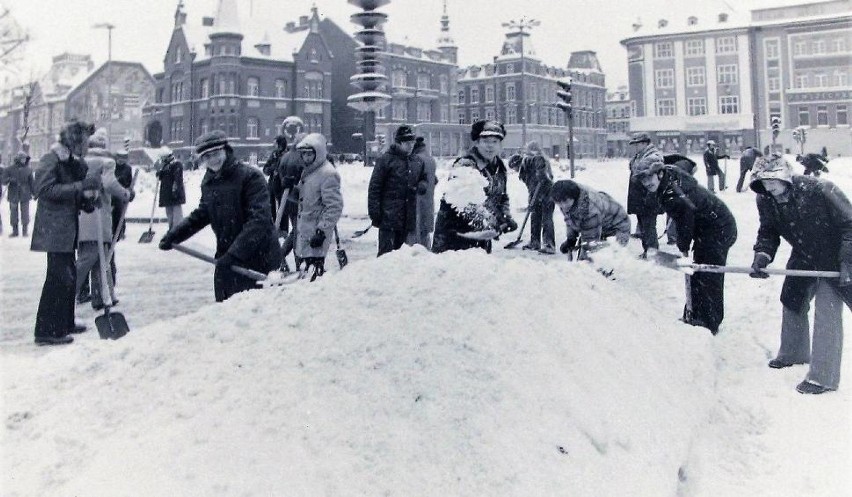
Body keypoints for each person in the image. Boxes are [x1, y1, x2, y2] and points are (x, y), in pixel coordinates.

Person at [749, 154, 852, 394]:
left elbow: (850, 225)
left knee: (827, 313)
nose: (769, 185)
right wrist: (763, 255)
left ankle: (822, 378)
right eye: (763, 180)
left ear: (786, 176)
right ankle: (794, 352)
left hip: (837, 255)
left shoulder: (819, 190)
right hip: (804, 252)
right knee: (792, 298)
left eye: (773, 178)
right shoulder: (765, 200)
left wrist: (847, 261)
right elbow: (768, 230)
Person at [158, 131, 281, 302]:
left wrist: (234, 254)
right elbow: (202, 214)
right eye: (207, 156)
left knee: (256, 313)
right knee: (226, 311)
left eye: (215, 153)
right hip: (228, 257)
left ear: (226, 150)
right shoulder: (209, 181)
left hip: (259, 258)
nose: (212, 159)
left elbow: (259, 221)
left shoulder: (250, 177)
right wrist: (175, 235)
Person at [633, 158, 737, 336]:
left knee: (708, 274)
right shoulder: (667, 184)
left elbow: (685, 220)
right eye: (643, 180)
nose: (647, 183)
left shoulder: (674, 191)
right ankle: (695, 314)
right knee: (697, 271)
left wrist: (683, 244)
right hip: (705, 228)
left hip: (719, 227)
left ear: (659, 173)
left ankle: (709, 322)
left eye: (649, 177)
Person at [30, 120, 98, 345]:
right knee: (58, 278)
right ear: (74, 141)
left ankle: (65, 322)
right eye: (84, 142)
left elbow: (71, 191)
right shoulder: (51, 159)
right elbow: (44, 189)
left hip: (66, 228)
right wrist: (80, 187)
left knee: (68, 275)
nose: (87, 146)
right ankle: (46, 331)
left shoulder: (71, 162)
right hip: (53, 228)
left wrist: (87, 200)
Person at [432, 120, 517, 254]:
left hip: (481, 236)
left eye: (495, 142)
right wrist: (492, 222)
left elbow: (501, 197)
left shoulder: (499, 167)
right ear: (477, 143)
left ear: (500, 144)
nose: (490, 146)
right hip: (455, 236)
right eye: (485, 141)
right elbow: (465, 204)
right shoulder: (465, 165)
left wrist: (505, 216)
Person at [75, 129, 132, 310]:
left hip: (83, 215)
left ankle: (103, 297)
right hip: (99, 216)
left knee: (100, 258)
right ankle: (67, 293)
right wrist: (126, 194)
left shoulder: (79, 163)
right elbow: (109, 184)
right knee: (92, 258)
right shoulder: (107, 162)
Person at [368, 124, 428, 257]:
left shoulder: (416, 161)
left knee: (402, 255)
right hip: (388, 217)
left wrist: (422, 186)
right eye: (407, 142)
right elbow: (375, 188)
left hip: (408, 216)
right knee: (386, 255)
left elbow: (425, 178)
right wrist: (375, 213)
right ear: (399, 143)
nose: (411, 145)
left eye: (412, 142)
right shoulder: (386, 160)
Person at [293, 133, 343, 279]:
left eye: (310, 154)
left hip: (316, 233)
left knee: (314, 273)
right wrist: (293, 188)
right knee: (306, 272)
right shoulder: (309, 171)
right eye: (303, 154)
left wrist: (322, 231)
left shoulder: (327, 173)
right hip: (306, 230)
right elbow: (308, 197)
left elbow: (334, 206)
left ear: (319, 153)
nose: (306, 158)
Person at [551, 180, 630, 260]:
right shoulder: (568, 201)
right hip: (601, 225)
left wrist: (584, 261)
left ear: (573, 197)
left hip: (617, 227)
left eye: (565, 201)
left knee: (604, 256)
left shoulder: (589, 209)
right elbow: (571, 220)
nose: (563, 206)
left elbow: (591, 241)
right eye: (559, 203)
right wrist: (571, 239)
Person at [626, 132, 663, 256]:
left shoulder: (653, 157)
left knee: (649, 227)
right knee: (643, 227)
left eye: (636, 145)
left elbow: (654, 180)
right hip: (639, 198)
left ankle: (653, 253)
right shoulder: (639, 157)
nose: (635, 148)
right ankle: (647, 250)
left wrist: (649, 197)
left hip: (649, 197)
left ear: (644, 143)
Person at [518, 141, 555, 254]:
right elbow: (532, 185)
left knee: (546, 219)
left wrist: (541, 175)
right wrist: (532, 199)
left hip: (547, 194)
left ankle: (549, 245)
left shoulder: (538, 159)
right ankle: (535, 242)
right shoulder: (526, 166)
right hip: (536, 194)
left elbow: (544, 178)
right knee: (535, 217)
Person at [410, 136, 438, 248]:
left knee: (415, 232)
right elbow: (434, 179)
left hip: (417, 201)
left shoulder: (416, 159)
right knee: (424, 232)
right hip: (428, 200)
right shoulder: (430, 159)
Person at [4, 151, 35, 237]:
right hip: (13, 193)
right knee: (13, 213)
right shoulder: (9, 169)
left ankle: (25, 231)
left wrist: (35, 193)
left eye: (25, 159)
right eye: (22, 158)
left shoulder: (28, 170)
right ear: (17, 159)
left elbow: (32, 183)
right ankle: (15, 231)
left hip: (25, 193)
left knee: (25, 213)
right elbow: (3, 181)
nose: (24, 160)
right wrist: (10, 179)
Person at [155, 151, 185, 230]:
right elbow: (161, 177)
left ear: (167, 156)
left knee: (176, 214)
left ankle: (178, 230)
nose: (162, 159)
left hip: (174, 193)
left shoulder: (176, 164)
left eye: (163, 158)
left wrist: (175, 190)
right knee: (169, 214)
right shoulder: (165, 166)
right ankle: (171, 229)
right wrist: (159, 171)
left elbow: (177, 179)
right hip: (166, 194)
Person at [262, 134, 288, 221]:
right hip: (272, 185)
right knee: (270, 207)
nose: (274, 145)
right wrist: (272, 169)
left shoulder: (287, 155)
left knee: (283, 208)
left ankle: (283, 230)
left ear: (280, 144)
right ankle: (272, 225)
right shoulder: (274, 154)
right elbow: (265, 169)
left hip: (282, 185)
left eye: (275, 143)